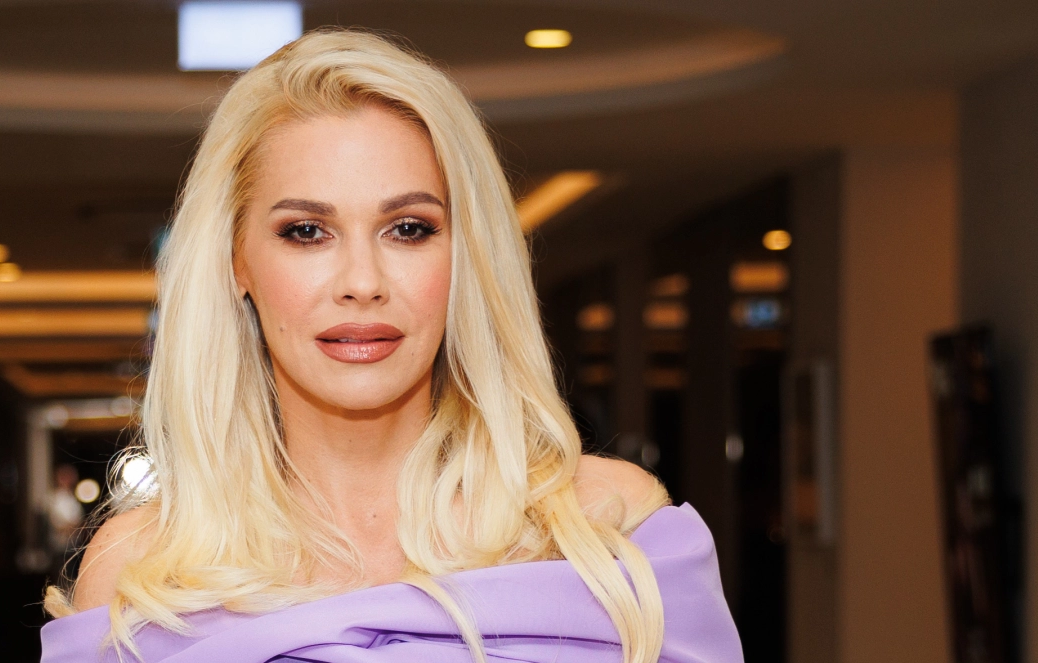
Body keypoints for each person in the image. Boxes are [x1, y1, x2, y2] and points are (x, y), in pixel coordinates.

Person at [41, 29, 740, 663]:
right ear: (237, 262)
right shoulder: (140, 573)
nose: (362, 283)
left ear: (467, 255)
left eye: (408, 228)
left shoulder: (609, 527)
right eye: (306, 232)